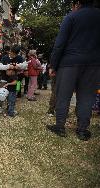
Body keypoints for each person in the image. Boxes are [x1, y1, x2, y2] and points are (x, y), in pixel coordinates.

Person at [47, 0, 100, 141]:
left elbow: (60, 44)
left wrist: (53, 65)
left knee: (63, 95)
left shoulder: (71, 17)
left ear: (78, 2)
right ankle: (82, 129)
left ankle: (60, 126)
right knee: (87, 97)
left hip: (69, 62)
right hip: (94, 64)